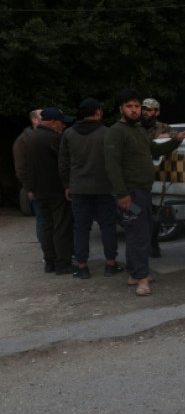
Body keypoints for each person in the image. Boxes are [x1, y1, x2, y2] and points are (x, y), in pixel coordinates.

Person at [104, 90, 185, 296]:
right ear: (121, 109)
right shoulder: (116, 132)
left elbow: (154, 150)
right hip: (130, 193)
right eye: (129, 106)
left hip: (142, 191)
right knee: (139, 233)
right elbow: (112, 166)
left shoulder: (139, 130)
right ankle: (142, 279)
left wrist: (176, 140)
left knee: (137, 231)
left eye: (137, 107)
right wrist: (122, 194)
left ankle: (134, 274)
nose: (135, 110)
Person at [59, 98, 124, 280]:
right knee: (108, 226)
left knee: (81, 228)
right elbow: (115, 161)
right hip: (104, 187)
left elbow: (63, 163)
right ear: (97, 112)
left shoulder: (69, 134)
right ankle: (110, 264)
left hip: (78, 188)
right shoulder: (107, 133)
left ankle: (82, 266)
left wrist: (67, 184)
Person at [24, 108, 76, 275]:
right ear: (53, 122)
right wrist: (67, 185)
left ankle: (50, 261)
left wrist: (30, 188)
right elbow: (63, 164)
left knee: (46, 226)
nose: (64, 125)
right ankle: (63, 262)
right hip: (56, 190)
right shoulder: (53, 138)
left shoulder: (30, 138)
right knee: (61, 226)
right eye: (62, 122)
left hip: (39, 190)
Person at [142, 97, 174, 258]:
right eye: (144, 109)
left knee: (154, 214)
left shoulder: (163, 128)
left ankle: (153, 244)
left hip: (159, 176)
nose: (145, 112)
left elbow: (175, 139)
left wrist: (167, 136)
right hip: (140, 175)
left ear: (157, 112)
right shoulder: (135, 127)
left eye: (149, 110)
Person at [12, 109, 43, 244]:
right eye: (42, 115)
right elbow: (21, 169)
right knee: (42, 219)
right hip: (36, 187)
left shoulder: (45, 136)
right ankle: (48, 255)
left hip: (49, 186)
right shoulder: (22, 141)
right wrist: (29, 188)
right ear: (34, 120)